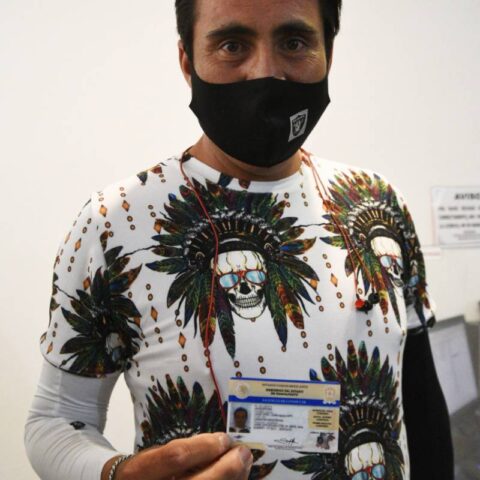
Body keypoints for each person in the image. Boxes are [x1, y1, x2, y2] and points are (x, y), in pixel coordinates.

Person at [24, 1, 454, 479]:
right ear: (187, 61)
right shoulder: (114, 223)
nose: (265, 72)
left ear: (328, 52)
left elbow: (421, 401)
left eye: (294, 42)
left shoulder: (377, 206)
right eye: (232, 45)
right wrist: (116, 474)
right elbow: (56, 422)